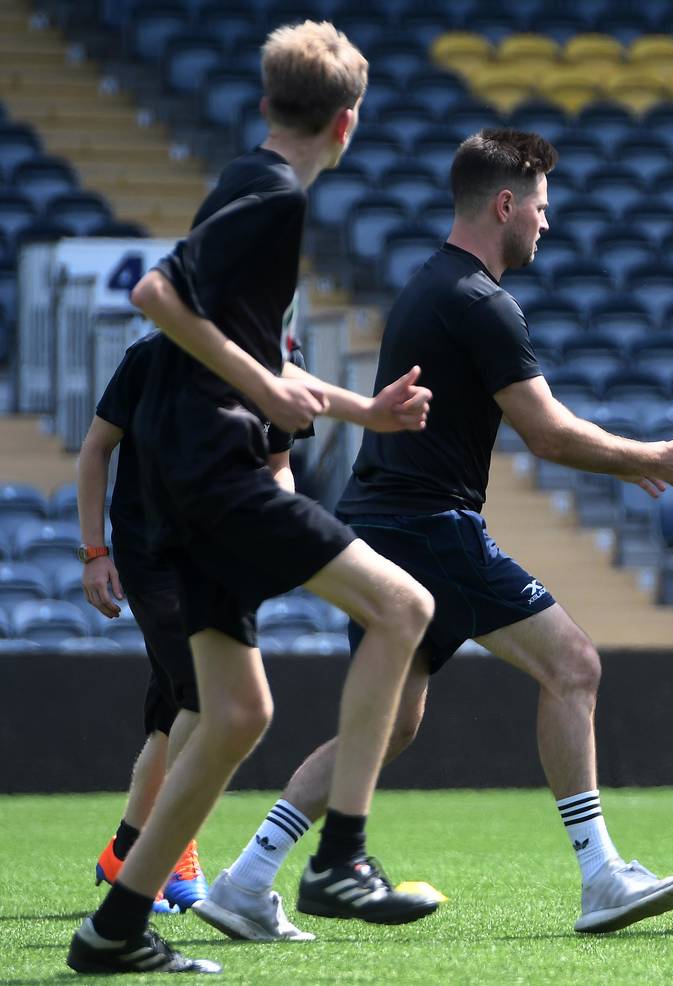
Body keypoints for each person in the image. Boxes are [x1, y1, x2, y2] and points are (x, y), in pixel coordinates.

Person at [192, 127, 673, 943]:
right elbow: (547, 433)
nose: (547, 225)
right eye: (542, 208)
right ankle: (600, 877)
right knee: (574, 665)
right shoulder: (480, 301)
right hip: (425, 526)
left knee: (392, 724)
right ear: (506, 204)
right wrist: (647, 458)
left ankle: (245, 879)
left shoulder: (432, 284)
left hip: (386, 523)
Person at [68, 21, 439, 976]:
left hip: (179, 493)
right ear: (347, 124)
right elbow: (157, 292)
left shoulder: (250, 181)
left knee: (235, 715)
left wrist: (366, 408)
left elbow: (259, 347)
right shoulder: (272, 195)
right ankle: (342, 858)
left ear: (270, 103)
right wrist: (268, 391)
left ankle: (114, 927)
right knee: (406, 608)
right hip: (217, 472)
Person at [82, 333, 318, 919]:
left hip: (221, 559)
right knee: (206, 698)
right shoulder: (151, 355)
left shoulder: (280, 369)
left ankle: (126, 854)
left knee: (172, 714)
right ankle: (173, 858)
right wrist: (94, 552)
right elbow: (95, 451)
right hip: (152, 555)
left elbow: (279, 468)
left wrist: (272, 527)